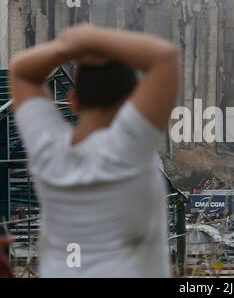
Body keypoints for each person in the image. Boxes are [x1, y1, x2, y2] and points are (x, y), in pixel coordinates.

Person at [9, 24, 180, 278]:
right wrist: (91, 39)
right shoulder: (129, 147)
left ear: (74, 101)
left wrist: (68, 46)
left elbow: (21, 71)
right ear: (132, 103)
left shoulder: (49, 152)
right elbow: (165, 57)